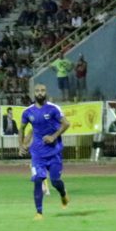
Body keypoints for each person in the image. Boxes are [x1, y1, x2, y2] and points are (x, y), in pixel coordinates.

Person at [20, 84, 71, 219]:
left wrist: (53, 136)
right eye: (37, 91)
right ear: (34, 93)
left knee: (55, 181)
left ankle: (63, 194)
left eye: (42, 90)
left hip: (54, 152)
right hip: (37, 154)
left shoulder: (53, 109)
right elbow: (23, 129)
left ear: (46, 92)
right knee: (38, 179)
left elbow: (66, 124)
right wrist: (21, 145)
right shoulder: (28, 112)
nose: (40, 93)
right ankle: (39, 213)